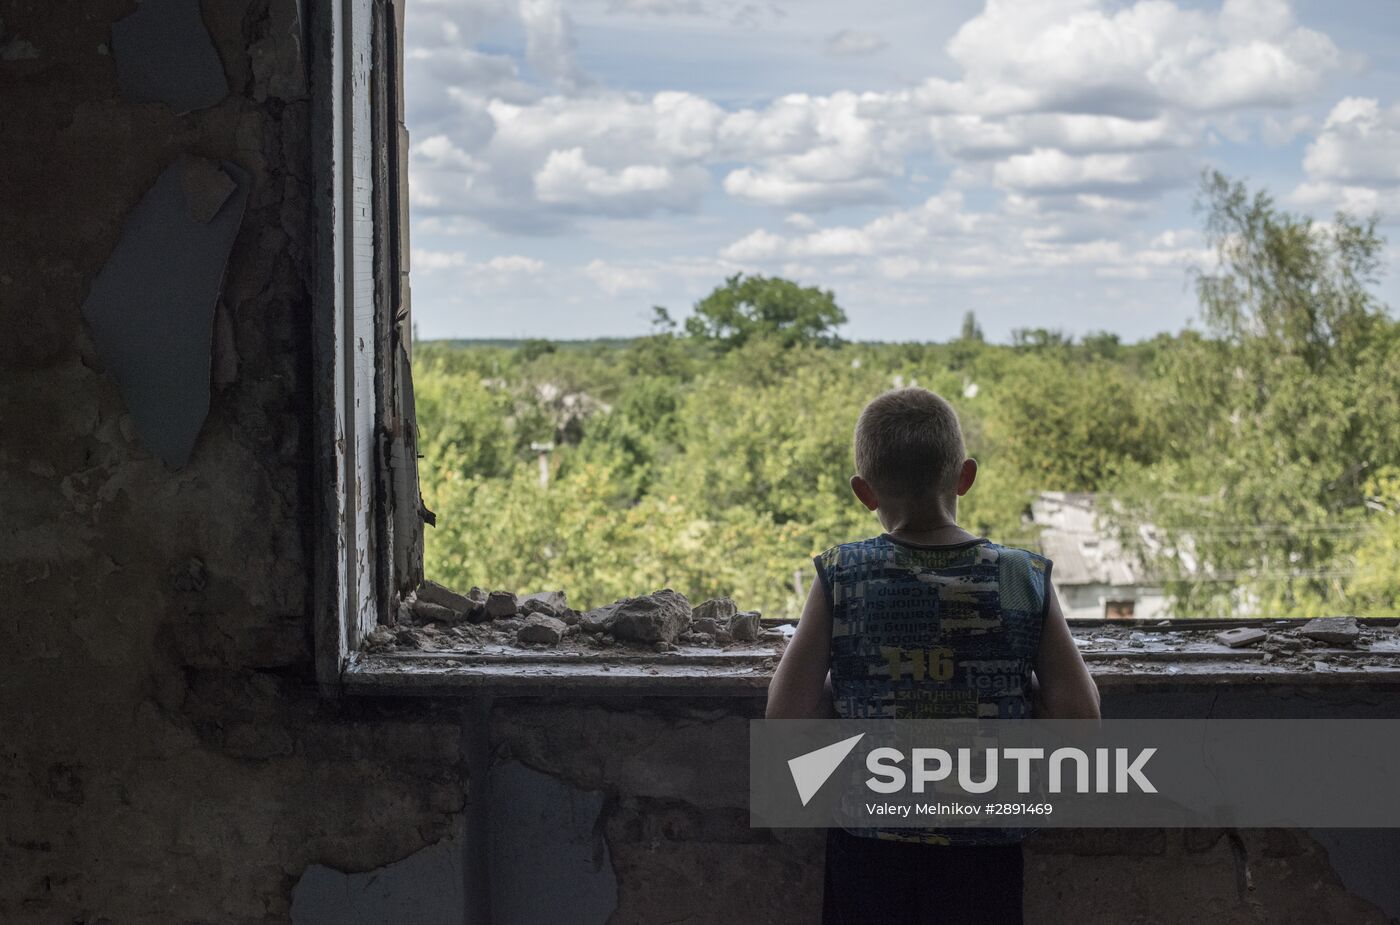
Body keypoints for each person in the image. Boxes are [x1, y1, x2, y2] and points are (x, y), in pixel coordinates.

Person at [766, 386, 1100, 925]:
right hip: (985, 846)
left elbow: (785, 720)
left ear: (863, 492)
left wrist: (861, 694)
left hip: (871, 843)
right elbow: (1080, 722)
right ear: (965, 476)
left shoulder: (845, 575)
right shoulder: (1018, 576)